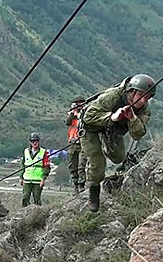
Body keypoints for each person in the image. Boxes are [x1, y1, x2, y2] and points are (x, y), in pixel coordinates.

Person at [79, 74, 156, 212]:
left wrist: (132, 119)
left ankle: (105, 147)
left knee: (119, 157)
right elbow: (88, 116)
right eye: (141, 95)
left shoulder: (144, 109)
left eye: (148, 97)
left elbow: (138, 134)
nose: (143, 100)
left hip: (112, 130)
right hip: (91, 128)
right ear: (131, 91)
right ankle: (94, 190)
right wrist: (113, 117)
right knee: (97, 163)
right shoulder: (112, 97)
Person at [19, 132, 51, 207]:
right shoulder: (26, 151)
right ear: (30, 142)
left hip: (38, 180)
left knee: (37, 199)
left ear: (38, 141)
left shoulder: (44, 152)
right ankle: (25, 213)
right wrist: (21, 177)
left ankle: (37, 215)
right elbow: (23, 165)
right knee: (25, 197)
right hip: (27, 179)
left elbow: (47, 167)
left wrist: (43, 179)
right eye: (33, 141)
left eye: (36, 141)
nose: (34, 143)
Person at [65, 96, 87, 194]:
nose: (79, 105)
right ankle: (75, 185)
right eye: (76, 103)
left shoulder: (87, 113)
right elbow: (67, 122)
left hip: (84, 142)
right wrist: (73, 112)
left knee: (81, 165)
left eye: (80, 103)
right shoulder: (72, 114)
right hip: (73, 143)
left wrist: (79, 113)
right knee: (72, 166)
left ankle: (81, 184)